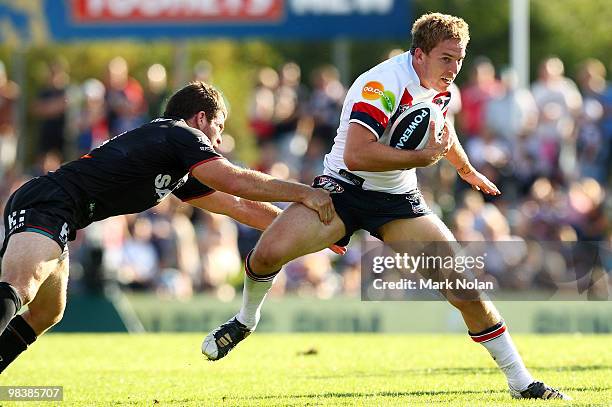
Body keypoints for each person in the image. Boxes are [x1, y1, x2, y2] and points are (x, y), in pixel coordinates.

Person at [202, 13, 569, 400]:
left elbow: (442, 125)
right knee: (266, 255)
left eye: (460, 59)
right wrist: (423, 158)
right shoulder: (381, 85)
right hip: (342, 190)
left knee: (466, 289)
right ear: (420, 54)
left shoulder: (442, 84)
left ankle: (521, 381)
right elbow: (357, 155)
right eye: (447, 58)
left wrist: (465, 168)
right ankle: (245, 319)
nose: (455, 68)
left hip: (396, 201)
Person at [0, 81, 337, 373]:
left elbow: (237, 205)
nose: (218, 140)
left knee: (47, 312)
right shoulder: (181, 134)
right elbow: (234, 181)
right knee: (21, 285)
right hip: (46, 204)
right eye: (219, 126)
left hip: (62, 214)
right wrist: (305, 193)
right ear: (201, 118)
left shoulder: (174, 159)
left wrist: (305, 233)